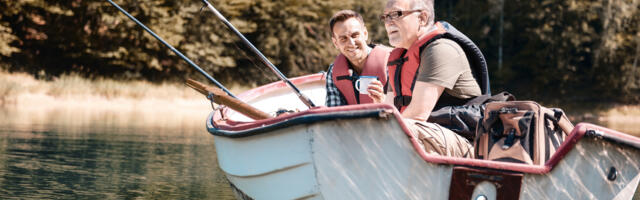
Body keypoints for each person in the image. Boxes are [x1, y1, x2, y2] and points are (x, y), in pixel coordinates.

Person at [368, 0, 484, 158]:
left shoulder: (440, 50)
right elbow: (390, 111)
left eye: (396, 14)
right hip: (425, 135)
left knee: (399, 130)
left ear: (422, 18)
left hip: (466, 142)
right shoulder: (399, 59)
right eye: (386, 17)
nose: (388, 23)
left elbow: (417, 115)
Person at [325, 10, 393, 107]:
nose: (351, 43)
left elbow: (406, 110)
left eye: (355, 35)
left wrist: (383, 101)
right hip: (354, 121)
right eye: (343, 39)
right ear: (335, 43)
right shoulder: (333, 72)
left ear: (365, 34)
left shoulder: (392, 62)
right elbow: (333, 116)